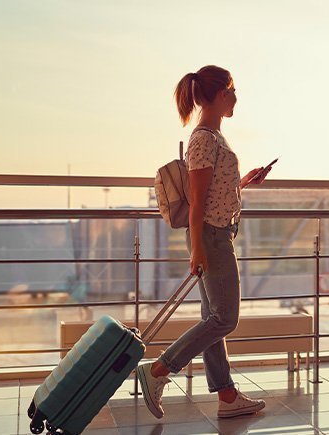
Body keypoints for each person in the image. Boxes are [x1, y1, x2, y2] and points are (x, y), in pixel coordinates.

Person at [137, 65, 271, 419]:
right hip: (210, 237)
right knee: (225, 319)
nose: (236, 97)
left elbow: (211, 194)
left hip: (215, 233)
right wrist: (197, 248)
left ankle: (227, 397)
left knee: (212, 317)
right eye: (231, 90)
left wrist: (243, 182)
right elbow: (196, 203)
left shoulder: (214, 136)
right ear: (217, 95)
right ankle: (157, 371)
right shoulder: (203, 140)